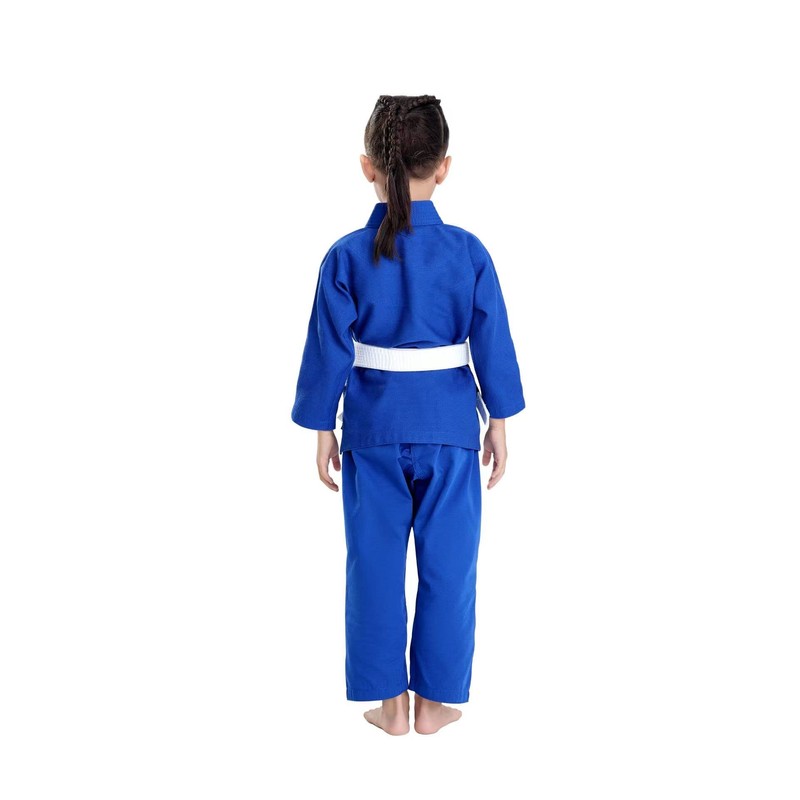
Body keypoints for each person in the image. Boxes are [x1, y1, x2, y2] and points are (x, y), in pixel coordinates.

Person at [291, 95, 525, 735]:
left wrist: (322, 428)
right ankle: (436, 702)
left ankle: (389, 705)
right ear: (444, 166)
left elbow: (327, 348)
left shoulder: (345, 255)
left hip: (371, 428)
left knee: (372, 564)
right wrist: (499, 421)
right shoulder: (468, 252)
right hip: (451, 430)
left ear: (367, 166)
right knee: (450, 568)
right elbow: (492, 340)